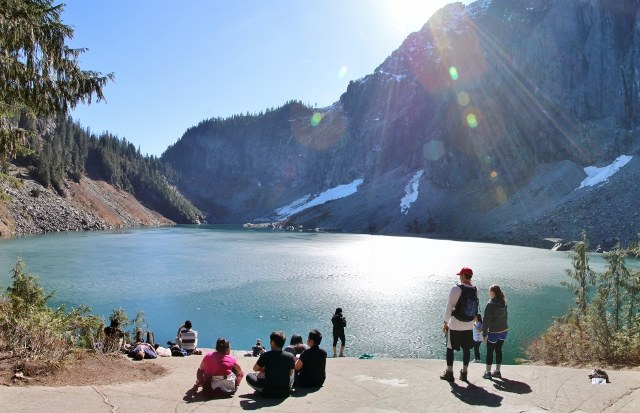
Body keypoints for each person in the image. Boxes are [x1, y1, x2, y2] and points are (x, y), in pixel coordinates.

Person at [440, 267, 479, 382]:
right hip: (469, 325)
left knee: (450, 348)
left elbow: (449, 307)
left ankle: (450, 373)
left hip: (455, 325)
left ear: (463, 276)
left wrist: (446, 322)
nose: (459, 277)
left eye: (460, 275)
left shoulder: (456, 289)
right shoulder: (475, 290)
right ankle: (464, 373)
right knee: (466, 349)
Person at [246, 331, 296, 398]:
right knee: (292, 371)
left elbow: (255, 369)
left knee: (249, 376)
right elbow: (290, 373)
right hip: (284, 392)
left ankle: (262, 389)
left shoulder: (265, 356)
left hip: (268, 392)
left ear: (272, 342)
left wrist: (264, 369)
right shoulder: (290, 356)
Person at [482, 284, 508, 379]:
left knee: (489, 351)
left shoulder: (490, 304)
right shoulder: (504, 302)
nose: (488, 293)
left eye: (489, 291)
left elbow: (486, 321)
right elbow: (505, 317)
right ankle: (497, 371)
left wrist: (484, 334)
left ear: (493, 292)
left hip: (494, 332)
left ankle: (488, 373)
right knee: (498, 350)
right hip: (504, 330)